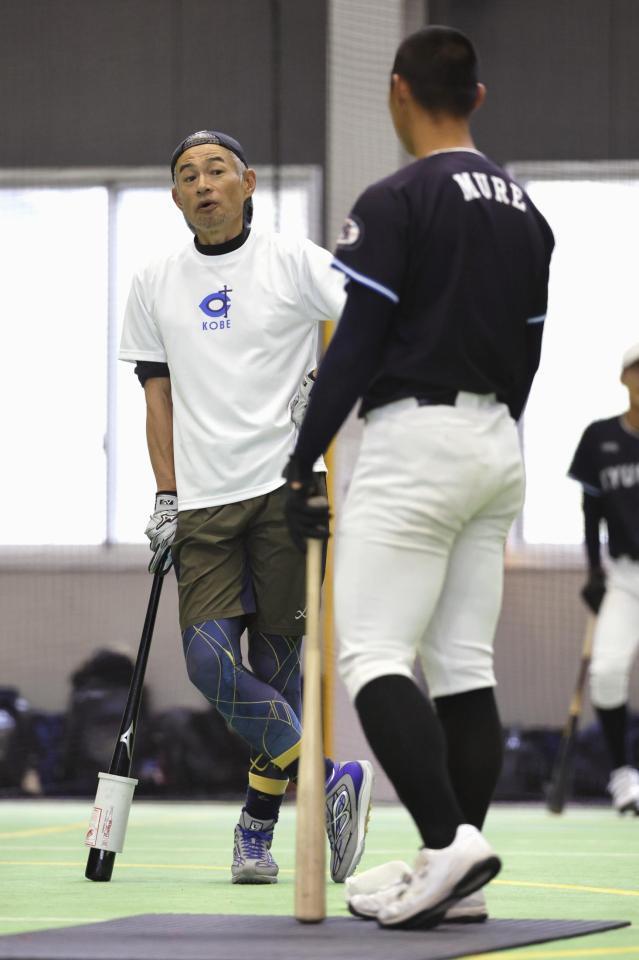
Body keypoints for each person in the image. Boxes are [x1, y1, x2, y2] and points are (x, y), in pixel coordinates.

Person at [284, 26, 554, 929]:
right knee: (463, 668)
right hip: (496, 447)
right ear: (476, 98)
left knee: (370, 655)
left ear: (397, 93)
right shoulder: (528, 213)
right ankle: (453, 867)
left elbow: (355, 347)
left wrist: (297, 466)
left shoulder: (397, 198)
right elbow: (528, 356)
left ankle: (451, 842)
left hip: (415, 443)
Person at [119, 129, 373, 885]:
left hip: (289, 492)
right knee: (208, 665)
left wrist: (325, 387)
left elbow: (368, 316)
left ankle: (255, 835)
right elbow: (155, 396)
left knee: (280, 673)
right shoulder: (153, 279)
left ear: (248, 181)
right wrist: (165, 496)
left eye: (217, 170)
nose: (203, 184)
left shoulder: (292, 259)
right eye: (188, 175)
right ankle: (330, 779)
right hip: (201, 503)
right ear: (175, 196)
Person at [568, 343, 639, 815]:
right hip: (626, 575)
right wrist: (593, 568)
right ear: (624, 378)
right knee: (608, 671)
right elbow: (590, 512)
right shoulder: (599, 438)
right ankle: (623, 778)